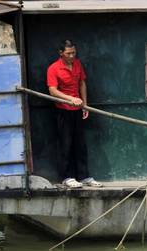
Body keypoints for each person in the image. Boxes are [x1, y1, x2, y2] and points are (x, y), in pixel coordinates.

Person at [47, 39, 102, 188]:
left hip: (78, 110)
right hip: (63, 111)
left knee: (80, 145)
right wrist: (71, 99)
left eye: (74, 53)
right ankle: (67, 177)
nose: (72, 56)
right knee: (66, 145)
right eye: (68, 53)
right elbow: (52, 90)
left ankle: (84, 176)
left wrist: (84, 104)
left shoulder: (77, 64)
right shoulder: (53, 68)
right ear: (61, 53)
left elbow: (82, 83)